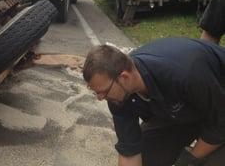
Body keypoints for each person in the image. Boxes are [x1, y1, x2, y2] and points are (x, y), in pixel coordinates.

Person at [83, 38, 225, 166]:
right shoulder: (118, 96)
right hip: (185, 111)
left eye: (103, 92)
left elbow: (220, 123)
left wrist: (188, 159)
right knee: (147, 157)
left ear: (124, 77)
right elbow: (130, 151)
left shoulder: (184, 74)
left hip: (219, 104)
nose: (100, 98)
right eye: (96, 92)